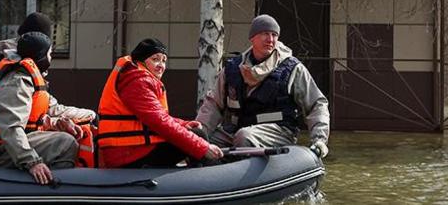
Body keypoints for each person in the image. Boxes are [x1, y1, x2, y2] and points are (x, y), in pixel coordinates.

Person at [0, 31, 96, 184]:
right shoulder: (16, 81)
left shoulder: (29, 78)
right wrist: (32, 162)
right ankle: (56, 188)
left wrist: (91, 115)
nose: (51, 58)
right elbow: (11, 128)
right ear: (40, 56)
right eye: (49, 54)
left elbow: (54, 109)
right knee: (64, 143)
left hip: (5, 146)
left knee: (66, 136)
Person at [196, 14, 331, 158]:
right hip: (237, 129)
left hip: (278, 132)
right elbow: (213, 104)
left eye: (274, 35)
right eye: (265, 34)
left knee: (244, 137)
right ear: (252, 38)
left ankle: (245, 176)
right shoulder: (232, 69)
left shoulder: (292, 69)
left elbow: (317, 104)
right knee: (203, 141)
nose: (270, 39)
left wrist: (319, 140)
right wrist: (198, 132)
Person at [97, 38, 225, 168]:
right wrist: (203, 148)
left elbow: (155, 118)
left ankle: (201, 175)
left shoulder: (135, 77)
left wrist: (184, 124)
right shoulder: (136, 82)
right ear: (142, 60)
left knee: (195, 131)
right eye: (155, 59)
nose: (161, 65)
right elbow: (160, 122)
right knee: (198, 135)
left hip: (131, 148)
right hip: (128, 154)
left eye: (164, 60)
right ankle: (210, 179)